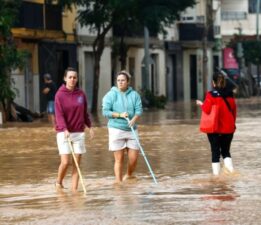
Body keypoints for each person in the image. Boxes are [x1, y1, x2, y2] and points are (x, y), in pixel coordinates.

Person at [54, 67, 94, 192]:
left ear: (77, 79)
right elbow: (59, 115)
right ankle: (58, 182)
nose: (72, 79)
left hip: (79, 133)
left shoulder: (81, 94)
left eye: (74, 77)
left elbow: (84, 113)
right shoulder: (59, 95)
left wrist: (90, 126)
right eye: (70, 77)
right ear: (65, 78)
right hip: (63, 132)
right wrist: (65, 129)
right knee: (65, 162)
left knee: (76, 164)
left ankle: (74, 191)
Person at [102, 70, 143, 184]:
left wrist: (134, 120)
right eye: (118, 80)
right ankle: (118, 183)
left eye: (123, 80)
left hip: (131, 130)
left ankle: (129, 175)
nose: (120, 82)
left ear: (128, 82)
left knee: (133, 158)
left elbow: (139, 110)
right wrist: (120, 115)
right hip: (116, 129)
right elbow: (105, 112)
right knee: (119, 159)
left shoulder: (134, 95)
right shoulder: (110, 95)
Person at [196, 72, 237, 176]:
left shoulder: (211, 94)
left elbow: (207, 109)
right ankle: (232, 174)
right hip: (229, 129)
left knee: (215, 153)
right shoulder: (230, 94)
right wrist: (233, 125)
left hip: (215, 129)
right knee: (226, 152)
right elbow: (234, 112)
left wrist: (201, 104)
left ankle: (216, 178)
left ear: (213, 83)